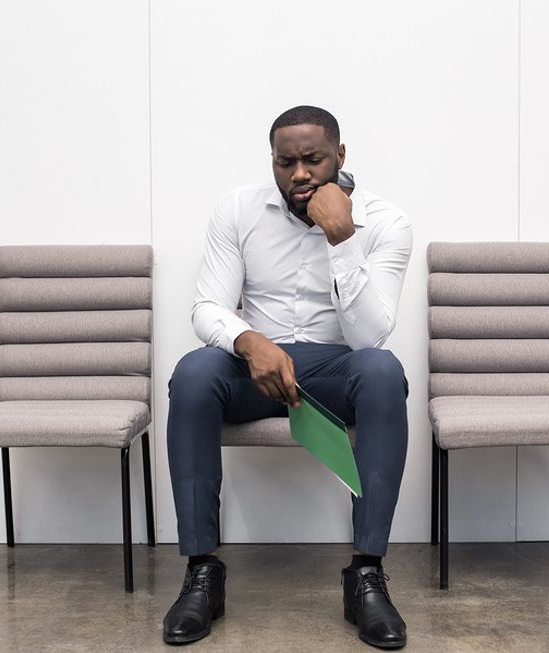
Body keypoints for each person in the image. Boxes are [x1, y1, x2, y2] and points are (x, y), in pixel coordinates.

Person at [162, 105, 413, 649]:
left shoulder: (386, 222)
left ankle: (366, 575)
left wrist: (342, 239)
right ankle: (202, 573)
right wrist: (250, 342)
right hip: (254, 368)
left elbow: (371, 338)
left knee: (383, 371)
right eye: (286, 162)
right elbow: (208, 306)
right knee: (193, 373)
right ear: (272, 162)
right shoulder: (238, 209)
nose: (299, 174)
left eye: (313, 160)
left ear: (340, 157)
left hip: (333, 367)